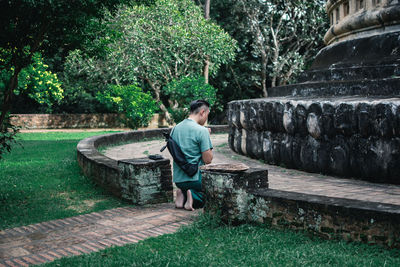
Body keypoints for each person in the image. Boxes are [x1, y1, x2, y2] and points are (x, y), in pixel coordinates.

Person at [171, 99, 213, 211]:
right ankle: (193, 198)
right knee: (213, 196)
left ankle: (182, 194)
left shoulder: (175, 129)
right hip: (196, 180)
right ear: (202, 112)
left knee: (185, 187)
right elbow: (208, 159)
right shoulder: (202, 131)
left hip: (178, 180)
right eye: (207, 115)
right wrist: (207, 137)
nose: (206, 119)